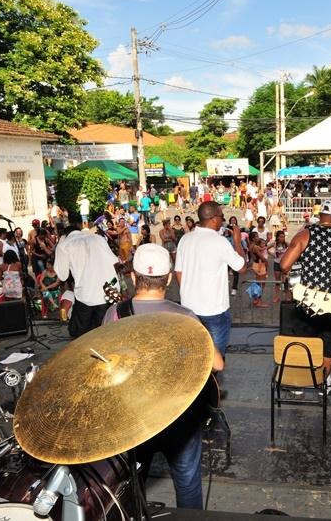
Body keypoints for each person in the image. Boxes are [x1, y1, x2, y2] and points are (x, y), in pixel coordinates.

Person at [102, 244, 223, 510]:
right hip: (178, 414)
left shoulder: (115, 314)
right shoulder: (184, 316)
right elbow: (217, 363)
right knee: (187, 480)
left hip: (134, 416)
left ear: (133, 277)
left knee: (133, 482)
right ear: (168, 279)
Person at [280, 198, 331, 389]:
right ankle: (321, 383)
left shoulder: (305, 235)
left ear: (320, 215)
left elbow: (284, 265)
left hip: (307, 302)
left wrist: (307, 266)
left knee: (303, 344)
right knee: (329, 345)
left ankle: (299, 384)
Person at [176, 201, 247, 360]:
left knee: (194, 357)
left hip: (189, 309)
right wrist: (237, 241)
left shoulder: (185, 239)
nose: (223, 220)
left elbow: (179, 273)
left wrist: (189, 294)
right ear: (214, 218)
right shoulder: (220, 242)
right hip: (214, 311)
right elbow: (242, 267)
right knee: (215, 359)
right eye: (222, 216)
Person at [54, 223, 119, 337]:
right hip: (108, 290)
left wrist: (60, 244)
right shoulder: (98, 238)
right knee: (105, 331)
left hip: (86, 293)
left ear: (64, 235)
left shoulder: (64, 245)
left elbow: (62, 275)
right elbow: (115, 262)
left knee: (79, 332)